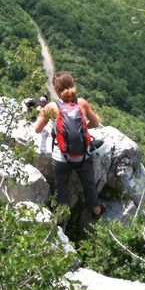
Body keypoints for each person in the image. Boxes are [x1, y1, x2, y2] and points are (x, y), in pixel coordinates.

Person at [34, 71, 105, 222]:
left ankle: (60, 221)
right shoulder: (82, 103)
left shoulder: (51, 107)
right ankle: (96, 210)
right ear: (73, 85)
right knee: (89, 186)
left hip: (61, 158)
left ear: (56, 89)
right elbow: (96, 123)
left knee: (61, 191)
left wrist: (40, 111)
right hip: (82, 157)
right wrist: (82, 128)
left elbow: (37, 129)